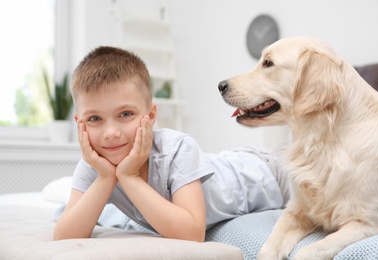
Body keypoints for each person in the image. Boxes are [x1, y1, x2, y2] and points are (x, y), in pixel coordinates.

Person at [53, 46, 290, 242]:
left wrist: (129, 177)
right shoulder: (93, 166)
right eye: (95, 119)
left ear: (152, 114)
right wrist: (106, 178)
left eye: (125, 114)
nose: (111, 133)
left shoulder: (177, 149)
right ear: (79, 123)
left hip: (266, 173)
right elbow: (64, 236)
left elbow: (192, 233)